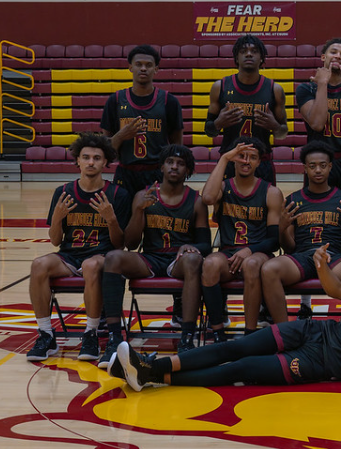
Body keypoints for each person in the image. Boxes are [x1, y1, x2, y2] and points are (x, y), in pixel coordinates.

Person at [108, 246, 341, 392]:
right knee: (237, 346)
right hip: (318, 330)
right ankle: (151, 367)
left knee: (241, 370)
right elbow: (339, 290)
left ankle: (152, 374)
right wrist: (321, 266)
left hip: (322, 362)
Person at [98, 145, 211, 369]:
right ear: (161, 166)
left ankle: (187, 339)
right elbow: (130, 243)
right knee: (112, 258)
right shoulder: (143, 196)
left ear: (187, 170)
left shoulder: (196, 200)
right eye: (170, 162)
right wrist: (138, 211)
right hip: (149, 257)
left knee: (193, 259)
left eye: (180, 164)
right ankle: (114, 339)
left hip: (177, 262)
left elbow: (206, 245)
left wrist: (190, 246)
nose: (174, 167)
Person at [26, 133, 131, 362]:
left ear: (105, 162)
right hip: (69, 256)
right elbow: (55, 240)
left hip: (101, 257)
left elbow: (120, 245)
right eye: (86, 157)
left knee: (91, 265)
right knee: (38, 265)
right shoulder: (63, 191)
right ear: (78, 161)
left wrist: (110, 219)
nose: (91, 162)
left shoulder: (117, 194)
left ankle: (90, 333)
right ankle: (46, 335)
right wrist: (57, 218)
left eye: (96, 157)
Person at [260, 141, 341, 323]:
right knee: (269, 269)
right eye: (312, 166)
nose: (318, 170)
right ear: (305, 168)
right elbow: (288, 247)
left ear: (330, 167)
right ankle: (284, 332)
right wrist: (282, 227)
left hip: (333, 258)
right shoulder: (293, 200)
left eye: (322, 165)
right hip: (302, 257)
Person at [200, 136, 283, 338]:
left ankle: (250, 334)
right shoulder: (223, 187)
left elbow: (274, 240)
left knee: (251, 264)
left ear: (258, 162)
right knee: (210, 263)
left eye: (252, 157)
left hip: (258, 255)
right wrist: (224, 159)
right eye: (241, 156)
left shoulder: (271, 192)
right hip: (228, 255)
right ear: (234, 159)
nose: (246, 161)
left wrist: (249, 250)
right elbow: (207, 198)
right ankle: (218, 332)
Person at [100, 45, 184, 197]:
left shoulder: (169, 101)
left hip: (157, 173)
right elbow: (104, 149)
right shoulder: (115, 101)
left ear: (156, 69)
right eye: (139, 64)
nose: (143, 68)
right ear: (131, 68)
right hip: (126, 173)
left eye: (149, 65)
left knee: (156, 219)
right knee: (124, 220)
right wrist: (121, 135)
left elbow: (177, 146)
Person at [204, 35, 287, 184]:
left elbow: (282, 132)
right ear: (236, 58)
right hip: (230, 160)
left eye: (254, 51)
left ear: (261, 58)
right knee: (225, 206)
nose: (249, 54)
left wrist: (274, 125)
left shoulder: (275, 89)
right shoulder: (220, 87)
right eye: (243, 51)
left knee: (265, 206)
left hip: (261, 162)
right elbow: (209, 130)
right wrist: (218, 123)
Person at [295, 37, 341, 199]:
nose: (337, 56)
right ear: (323, 57)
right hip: (319, 162)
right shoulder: (306, 89)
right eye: (333, 52)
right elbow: (317, 123)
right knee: (317, 212)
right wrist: (322, 84)